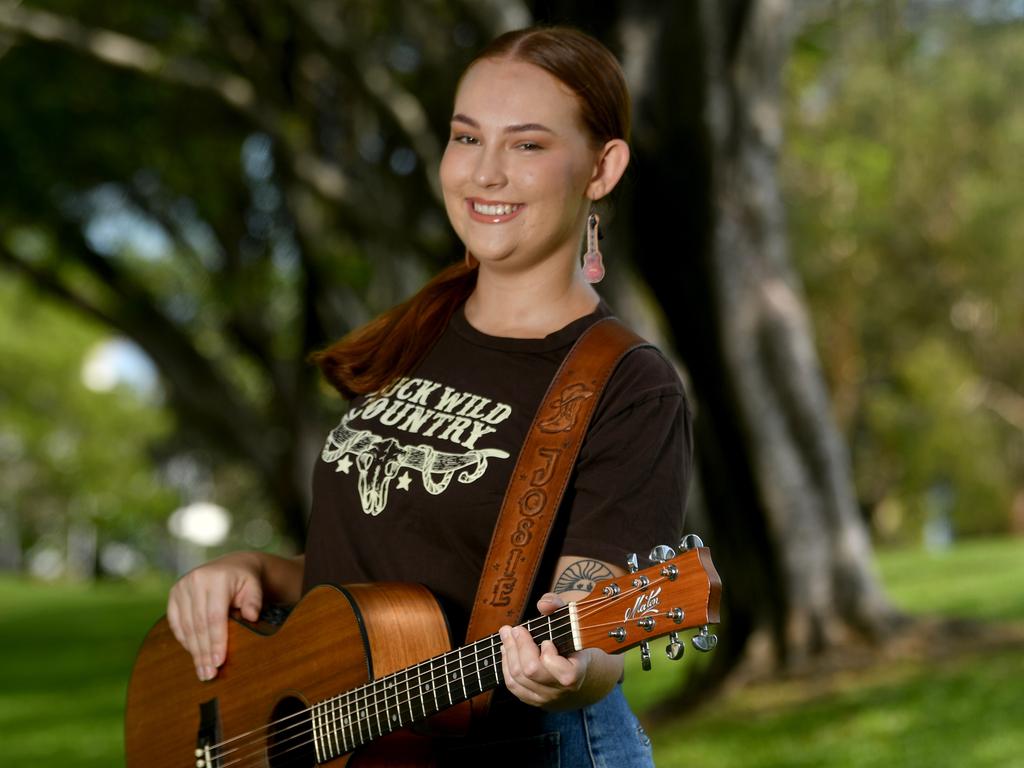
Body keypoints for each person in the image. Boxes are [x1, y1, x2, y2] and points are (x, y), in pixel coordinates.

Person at [167, 23, 693, 767]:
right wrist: (251, 570)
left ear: (602, 168)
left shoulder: (627, 384)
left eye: (528, 145)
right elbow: (374, 578)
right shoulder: (420, 328)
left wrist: (570, 670)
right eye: (466, 137)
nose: (485, 173)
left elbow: (594, 620)